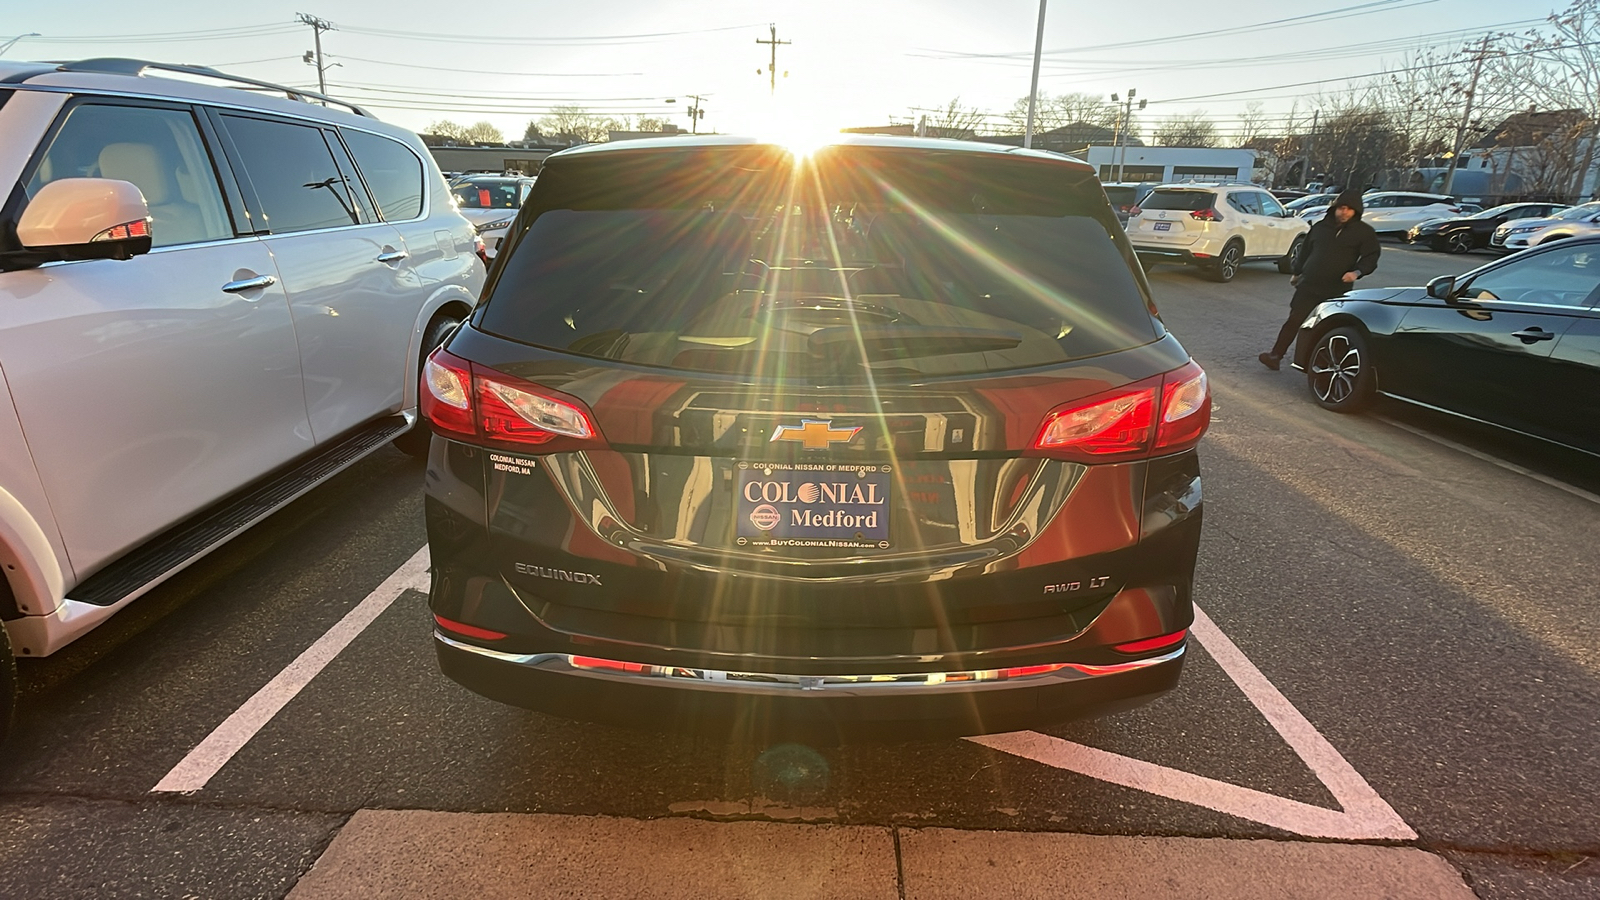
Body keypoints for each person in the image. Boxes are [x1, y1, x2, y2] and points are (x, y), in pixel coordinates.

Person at [1258, 189, 1380, 370]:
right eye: (1341, 208)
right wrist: (1297, 272)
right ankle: (1275, 356)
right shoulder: (1320, 227)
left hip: (1336, 288)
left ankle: (1325, 364)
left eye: (1349, 209)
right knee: (1294, 320)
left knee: (1327, 327)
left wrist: (1357, 272)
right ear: (1335, 208)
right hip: (1309, 284)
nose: (1344, 212)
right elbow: (1305, 251)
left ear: (1356, 211)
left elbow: (1371, 257)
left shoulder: (1364, 232)